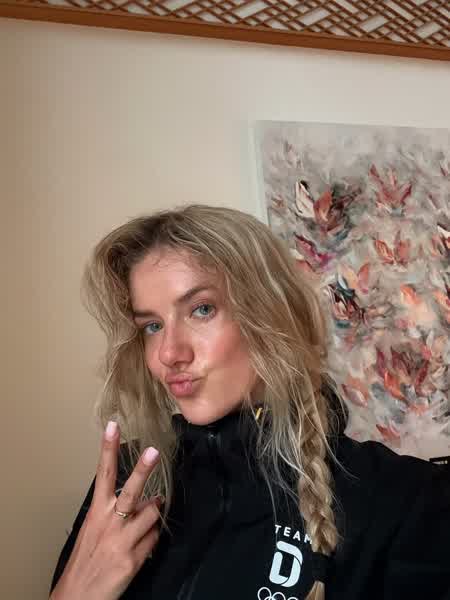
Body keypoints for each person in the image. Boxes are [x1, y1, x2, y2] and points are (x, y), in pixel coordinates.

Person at [49, 204, 450, 600]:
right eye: (152, 326)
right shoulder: (125, 483)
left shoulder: (405, 501)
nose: (169, 353)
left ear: (272, 314)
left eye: (201, 310)